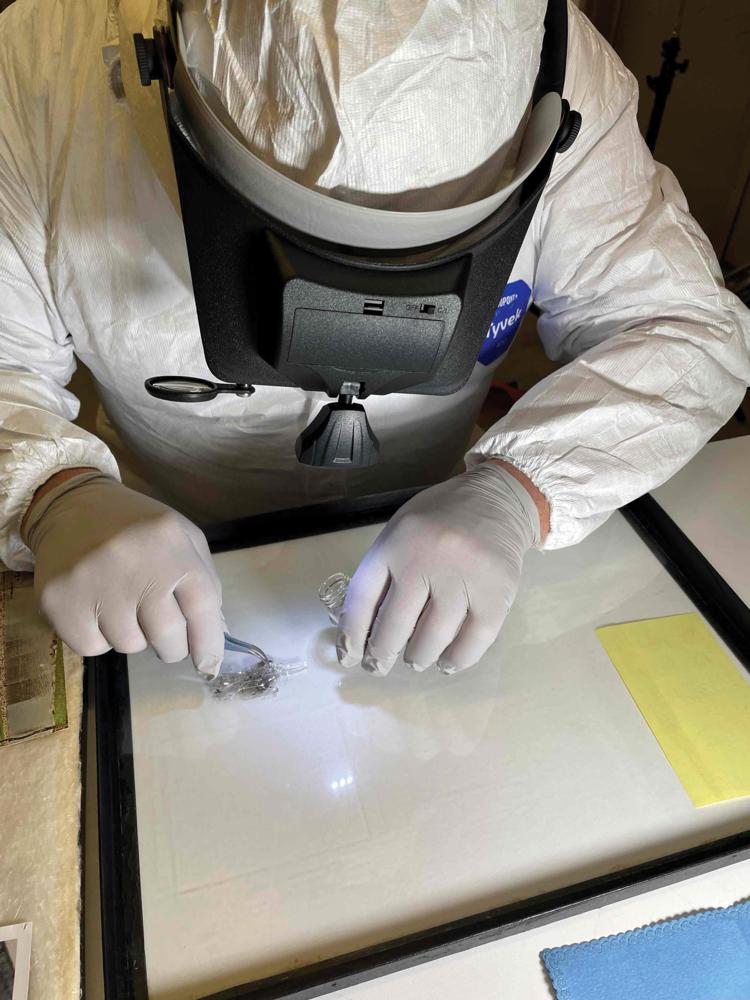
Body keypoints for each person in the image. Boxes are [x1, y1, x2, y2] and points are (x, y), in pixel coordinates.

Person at [1, 0, 748, 679]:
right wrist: (55, 493)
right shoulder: (41, 66)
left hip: (447, 527)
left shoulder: (553, 59)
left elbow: (685, 328)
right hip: (147, 544)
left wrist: (516, 492)